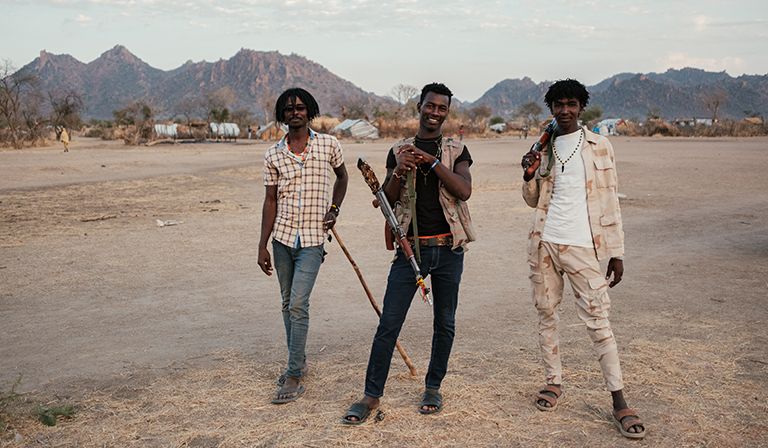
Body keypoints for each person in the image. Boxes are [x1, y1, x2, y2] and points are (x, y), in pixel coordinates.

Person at [342, 83, 475, 424]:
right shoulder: (398, 150)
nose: (434, 112)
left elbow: (463, 190)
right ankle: (371, 397)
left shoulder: (456, 150)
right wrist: (400, 169)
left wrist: (431, 163)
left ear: (447, 112)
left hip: (448, 249)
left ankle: (433, 387)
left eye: (441, 108)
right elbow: (384, 202)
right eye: (430, 106)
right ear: (419, 106)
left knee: (444, 323)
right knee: (389, 324)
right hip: (409, 250)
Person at [520, 79, 645, 439]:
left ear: (581, 107)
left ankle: (619, 399)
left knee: (598, 321)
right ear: (551, 108)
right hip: (545, 243)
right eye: (558, 105)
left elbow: (611, 201)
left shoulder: (599, 146)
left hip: (584, 246)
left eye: (571, 104)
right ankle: (553, 381)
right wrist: (528, 172)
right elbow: (532, 199)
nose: (565, 110)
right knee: (546, 314)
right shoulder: (544, 147)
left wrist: (616, 252)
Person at [258, 87, 348, 404]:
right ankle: (300, 358)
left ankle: (294, 374)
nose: (295, 112)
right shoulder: (273, 154)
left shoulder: (328, 145)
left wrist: (334, 209)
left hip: (312, 240)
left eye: (300, 107)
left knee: (298, 303)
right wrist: (262, 245)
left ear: (309, 111)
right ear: (281, 115)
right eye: (288, 108)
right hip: (282, 239)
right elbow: (270, 201)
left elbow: (342, 178)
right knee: (286, 303)